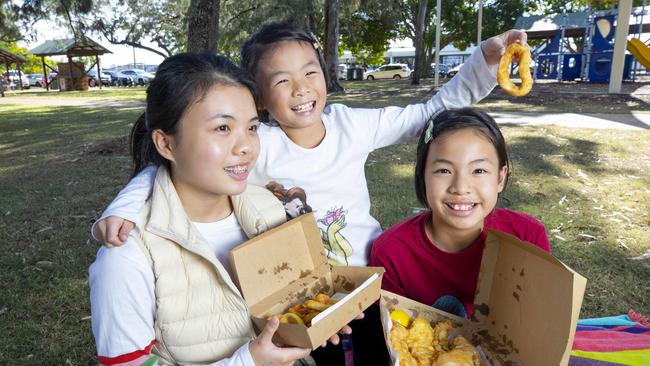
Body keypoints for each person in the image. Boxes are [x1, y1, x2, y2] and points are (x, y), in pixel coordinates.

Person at [91, 18, 527, 365]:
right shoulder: (259, 146)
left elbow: (429, 113)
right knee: (321, 354)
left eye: (310, 72)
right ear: (260, 97)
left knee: (383, 349)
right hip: (305, 293)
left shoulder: (349, 127)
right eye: (281, 81)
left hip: (368, 278)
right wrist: (125, 204)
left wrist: (480, 65)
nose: (300, 88)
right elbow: (172, 167)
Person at [89, 52, 319, 366]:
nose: (246, 147)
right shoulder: (126, 254)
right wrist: (246, 363)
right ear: (166, 144)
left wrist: (318, 315)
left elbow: (286, 306)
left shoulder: (267, 206)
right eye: (223, 128)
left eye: (251, 128)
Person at [368, 108, 551, 319]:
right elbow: (393, 333)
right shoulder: (391, 252)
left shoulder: (526, 237)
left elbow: (537, 320)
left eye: (479, 171)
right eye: (444, 171)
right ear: (422, 176)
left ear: (500, 178)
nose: (461, 187)